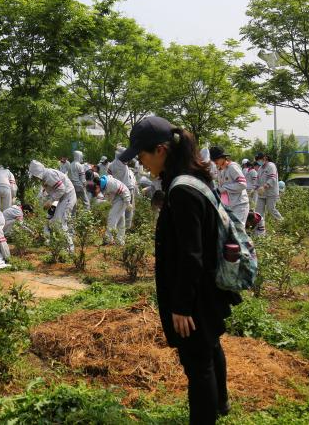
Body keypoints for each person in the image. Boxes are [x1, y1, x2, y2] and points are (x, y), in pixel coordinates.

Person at [117, 115, 239, 425]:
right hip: (208, 287)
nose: (140, 163)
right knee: (209, 346)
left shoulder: (182, 190)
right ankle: (221, 404)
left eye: (141, 155)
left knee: (198, 367)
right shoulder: (193, 178)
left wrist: (182, 306)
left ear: (160, 151)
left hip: (194, 295)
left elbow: (191, 255)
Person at [29, 160, 77, 252]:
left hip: (68, 196)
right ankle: (63, 247)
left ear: (37, 173)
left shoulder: (49, 175)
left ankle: (69, 249)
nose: (34, 178)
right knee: (55, 222)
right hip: (63, 198)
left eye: (34, 176)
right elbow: (52, 191)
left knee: (60, 222)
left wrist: (51, 201)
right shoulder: (45, 177)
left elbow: (62, 189)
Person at [210, 147, 249, 225]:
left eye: (216, 159)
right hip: (229, 205)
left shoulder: (232, 167)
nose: (215, 161)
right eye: (213, 160)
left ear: (223, 158)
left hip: (239, 205)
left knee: (238, 230)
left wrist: (223, 189)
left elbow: (242, 184)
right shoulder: (220, 170)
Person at [91, 174, 131, 245]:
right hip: (117, 199)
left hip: (123, 198)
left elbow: (123, 190)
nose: (96, 192)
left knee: (112, 217)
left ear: (97, 186)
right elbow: (108, 197)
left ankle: (108, 239)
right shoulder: (103, 185)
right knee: (121, 221)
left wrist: (127, 202)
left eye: (95, 190)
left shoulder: (110, 183)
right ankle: (120, 241)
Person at [110, 147, 138, 228]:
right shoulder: (123, 162)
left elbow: (110, 177)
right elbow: (128, 153)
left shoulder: (111, 165)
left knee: (120, 208)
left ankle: (119, 227)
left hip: (118, 189)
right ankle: (128, 227)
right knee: (129, 208)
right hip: (128, 187)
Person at [255, 152, 283, 221]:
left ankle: (282, 221)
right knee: (258, 211)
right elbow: (257, 180)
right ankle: (260, 227)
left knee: (271, 209)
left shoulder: (271, 166)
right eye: (257, 160)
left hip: (271, 193)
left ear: (264, 158)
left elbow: (272, 179)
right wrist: (255, 189)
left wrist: (264, 187)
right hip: (262, 193)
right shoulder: (260, 168)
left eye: (259, 160)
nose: (259, 162)